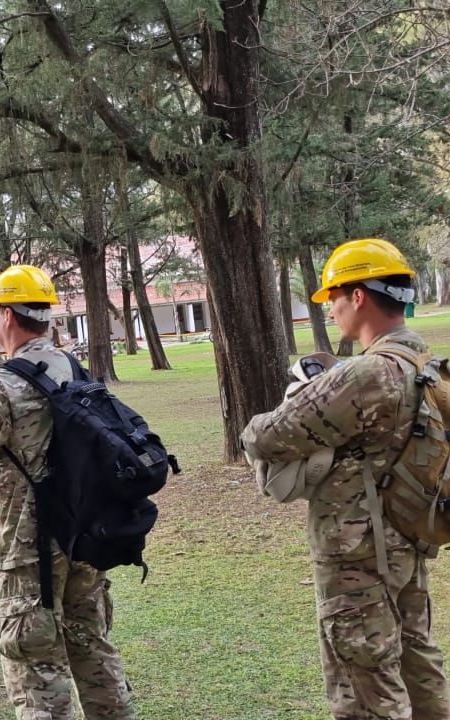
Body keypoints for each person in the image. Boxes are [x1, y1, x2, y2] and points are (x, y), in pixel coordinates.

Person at [242, 238, 448, 719]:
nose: (331, 308)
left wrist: (302, 392)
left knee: (365, 687)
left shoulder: (366, 373)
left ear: (358, 296)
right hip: (410, 542)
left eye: (334, 295)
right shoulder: (428, 366)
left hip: (357, 559)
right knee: (419, 668)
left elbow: (263, 438)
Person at [0, 265, 136, 720]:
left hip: (26, 550)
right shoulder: (78, 371)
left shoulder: (0, 385)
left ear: (6, 315)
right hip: (87, 535)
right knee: (94, 649)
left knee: (35, 667)